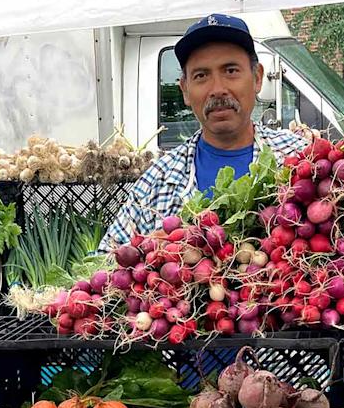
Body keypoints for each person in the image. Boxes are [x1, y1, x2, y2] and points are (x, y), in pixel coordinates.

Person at [101, 14, 307, 251]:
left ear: (258, 78)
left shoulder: (298, 160)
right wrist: (145, 255)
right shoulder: (157, 180)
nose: (218, 89)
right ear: (185, 90)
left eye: (231, 71)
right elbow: (105, 261)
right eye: (201, 76)